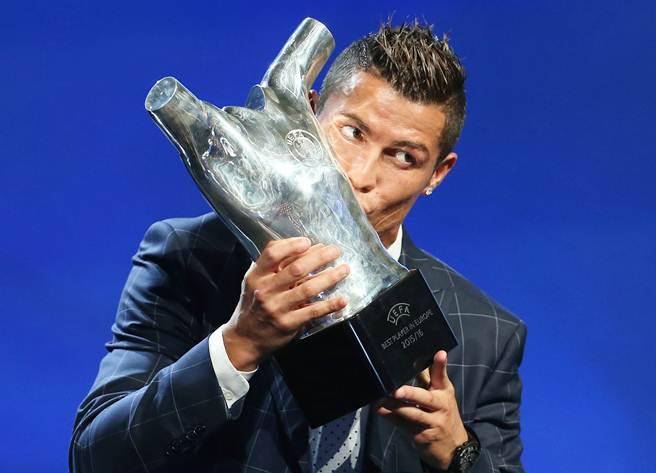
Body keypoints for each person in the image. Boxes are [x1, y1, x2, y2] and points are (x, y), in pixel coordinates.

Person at [70, 22, 526, 473]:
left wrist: (458, 454)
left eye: (403, 157)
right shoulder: (190, 256)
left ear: (437, 175)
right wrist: (238, 344)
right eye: (353, 133)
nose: (361, 176)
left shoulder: (486, 333)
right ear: (305, 114)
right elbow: (94, 459)